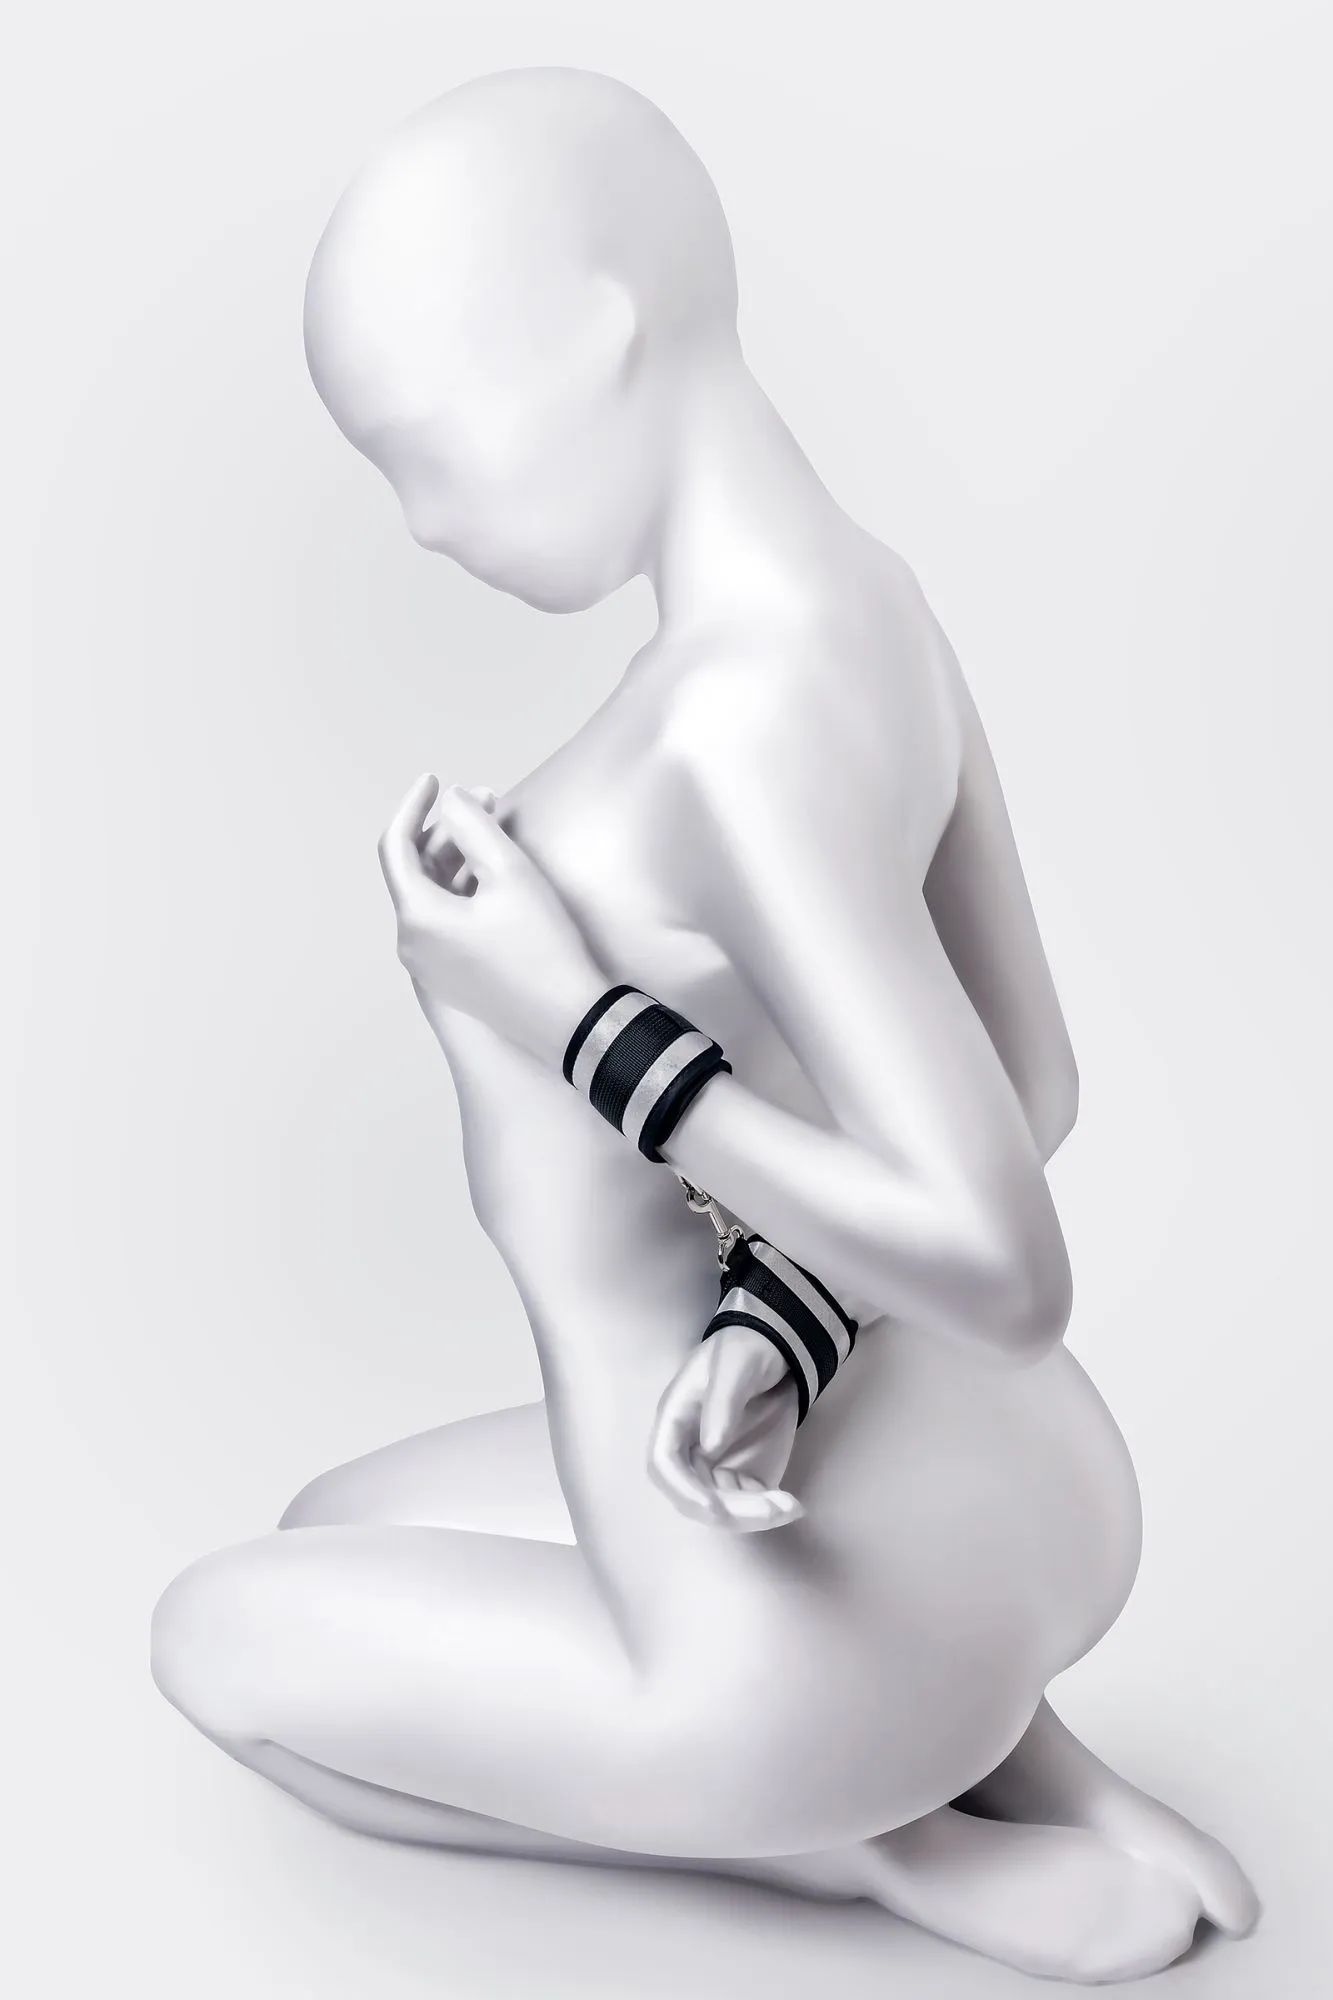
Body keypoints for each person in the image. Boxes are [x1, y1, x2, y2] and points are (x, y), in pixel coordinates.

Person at [150, 66, 1259, 1983]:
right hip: (1024, 1491)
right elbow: (1036, 1080)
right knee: (332, 1520)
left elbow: (1007, 1265)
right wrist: (786, 1327)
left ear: (594, 341)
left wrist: (579, 1022)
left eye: (426, 453)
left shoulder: (725, 732)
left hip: (763, 1654)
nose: (424, 523)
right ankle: (1024, 1753)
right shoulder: (864, 606)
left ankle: (873, 1850)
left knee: (216, 1640)